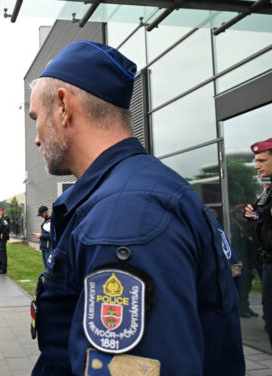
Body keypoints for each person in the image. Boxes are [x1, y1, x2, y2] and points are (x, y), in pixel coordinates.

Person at [28, 40, 243, 375]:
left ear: (63, 106)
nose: (37, 138)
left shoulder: (125, 216)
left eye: (36, 118)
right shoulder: (136, 194)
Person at [245, 137, 272, 347]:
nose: (257, 165)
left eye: (261, 160)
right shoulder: (267, 191)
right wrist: (255, 215)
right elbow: (257, 215)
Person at [231, 203, 259, 318]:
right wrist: (239, 259)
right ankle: (240, 308)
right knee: (240, 284)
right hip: (238, 262)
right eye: (242, 212)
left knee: (246, 284)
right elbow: (234, 245)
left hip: (246, 260)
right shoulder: (234, 226)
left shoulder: (244, 226)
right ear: (236, 213)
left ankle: (245, 306)